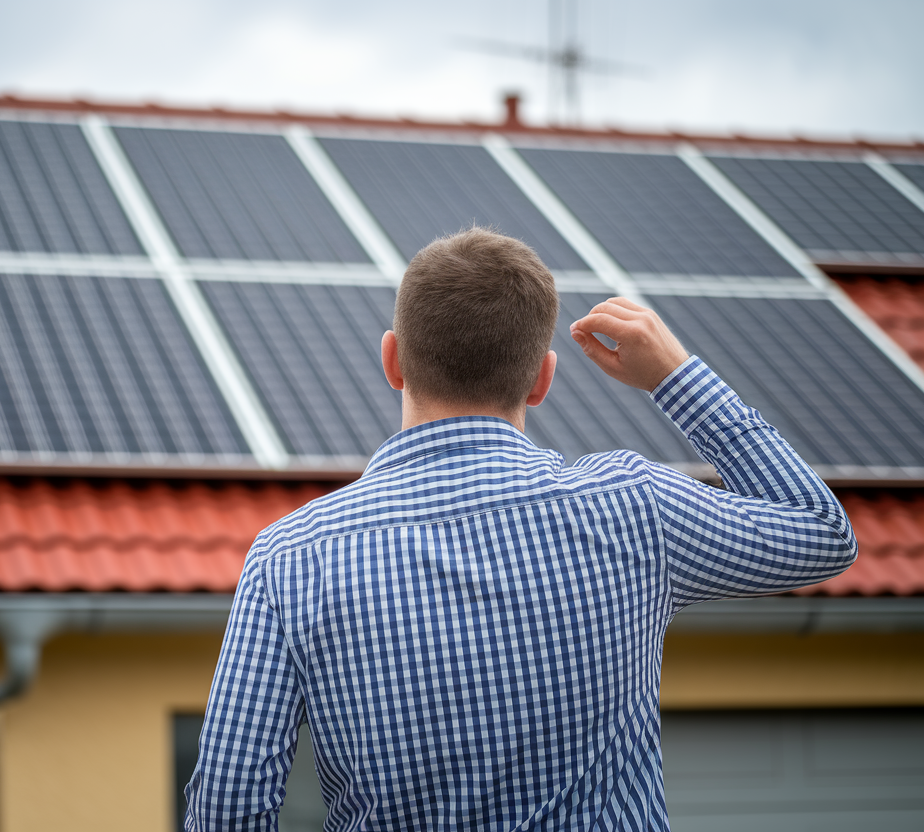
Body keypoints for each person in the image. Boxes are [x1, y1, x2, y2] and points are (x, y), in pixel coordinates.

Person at [184, 227, 856, 831]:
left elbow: (229, 807)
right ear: (541, 379)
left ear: (393, 361)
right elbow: (822, 531)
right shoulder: (631, 505)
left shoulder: (292, 557)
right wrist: (675, 378)